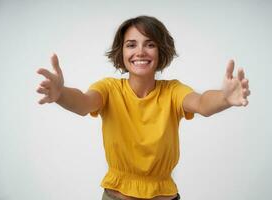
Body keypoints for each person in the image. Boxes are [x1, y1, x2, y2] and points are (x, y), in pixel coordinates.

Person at [36, 16, 250, 200]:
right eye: (131, 44)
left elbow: (202, 103)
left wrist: (224, 98)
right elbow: (83, 103)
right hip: (117, 195)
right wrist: (61, 94)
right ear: (121, 53)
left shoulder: (173, 91)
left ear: (160, 51)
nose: (140, 52)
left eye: (149, 44)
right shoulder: (109, 89)